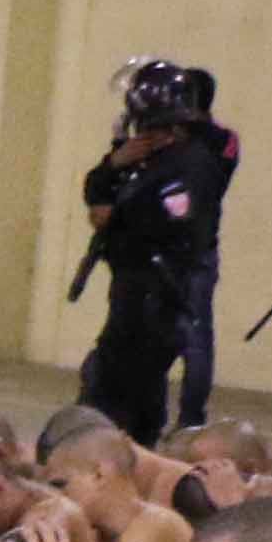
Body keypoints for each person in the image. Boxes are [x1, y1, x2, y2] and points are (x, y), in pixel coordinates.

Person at [74, 59, 226, 443]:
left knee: (119, 390)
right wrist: (114, 163)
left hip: (160, 294)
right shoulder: (144, 160)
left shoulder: (191, 164)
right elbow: (96, 190)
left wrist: (116, 219)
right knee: (111, 383)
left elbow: (170, 226)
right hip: (131, 291)